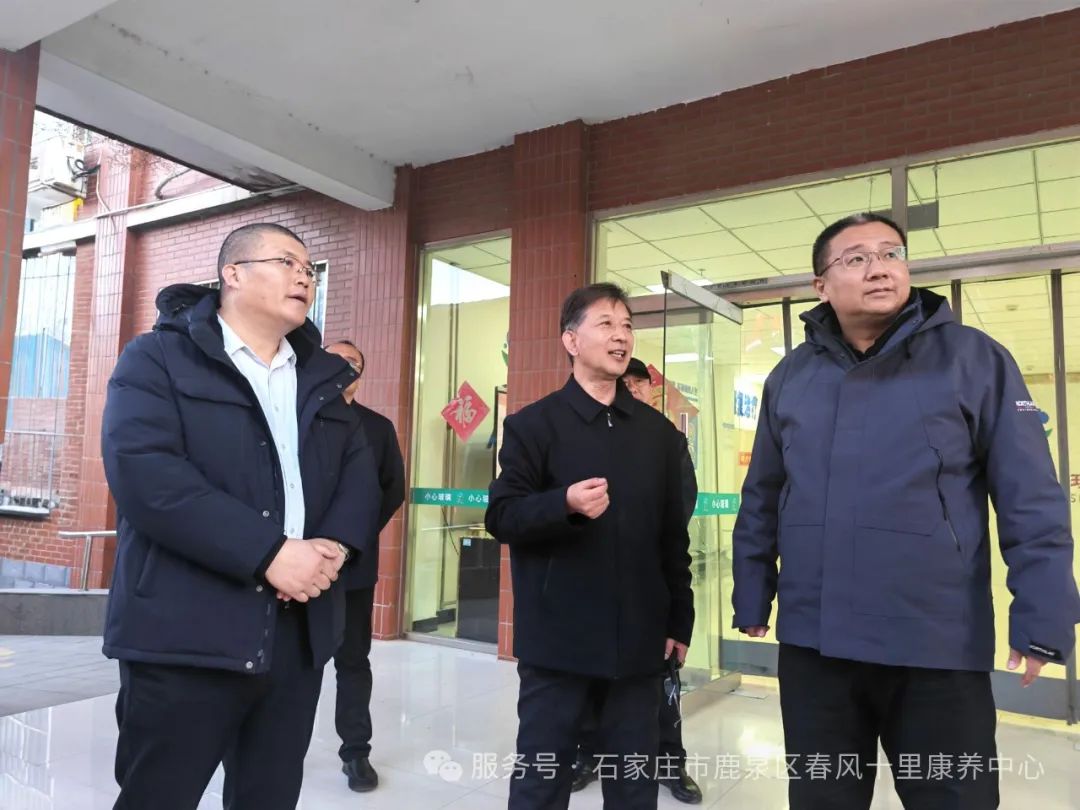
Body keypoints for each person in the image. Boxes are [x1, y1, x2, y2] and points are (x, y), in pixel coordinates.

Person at [732, 212, 1080, 809]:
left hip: (935, 642)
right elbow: (762, 493)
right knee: (822, 799)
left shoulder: (972, 359)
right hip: (817, 645)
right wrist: (751, 590)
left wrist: (1044, 613)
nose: (880, 268)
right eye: (857, 258)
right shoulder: (791, 376)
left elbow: (1030, 494)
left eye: (891, 253)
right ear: (821, 285)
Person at [101, 222, 380, 810]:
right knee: (160, 795)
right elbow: (146, 475)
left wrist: (332, 549)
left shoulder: (320, 379)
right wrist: (270, 553)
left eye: (309, 268)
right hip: (186, 633)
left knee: (269, 796)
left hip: (297, 635)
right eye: (287, 262)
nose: (304, 276)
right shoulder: (158, 358)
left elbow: (361, 476)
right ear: (233, 274)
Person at [486, 283, 694, 810]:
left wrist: (679, 619)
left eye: (627, 326)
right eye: (606, 324)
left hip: (640, 639)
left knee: (633, 785)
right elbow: (502, 516)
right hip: (558, 638)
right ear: (571, 340)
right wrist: (563, 505)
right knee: (541, 781)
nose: (621, 336)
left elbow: (674, 536)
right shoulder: (533, 426)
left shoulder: (659, 436)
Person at [571, 356, 703, 805]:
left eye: (637, 382)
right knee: (592, 678)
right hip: (595, 583)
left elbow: (680, 508)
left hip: (650, 582)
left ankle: (670, 762)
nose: (629, 388)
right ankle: (588, 755)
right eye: (622, 381)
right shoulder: (592, 433)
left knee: (660, 684)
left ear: (650, 388)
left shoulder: (666, 440)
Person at [324, 339, 406, 793]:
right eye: (335, 360)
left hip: (353, 568)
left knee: (353, 660)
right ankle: (276, 746)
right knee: (291, 662)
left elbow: (392, 489)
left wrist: (351, 539)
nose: (344, 368)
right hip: (294, 565)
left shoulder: (377, 427)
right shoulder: (297, 416)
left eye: (353, 362)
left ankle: (355, 752)